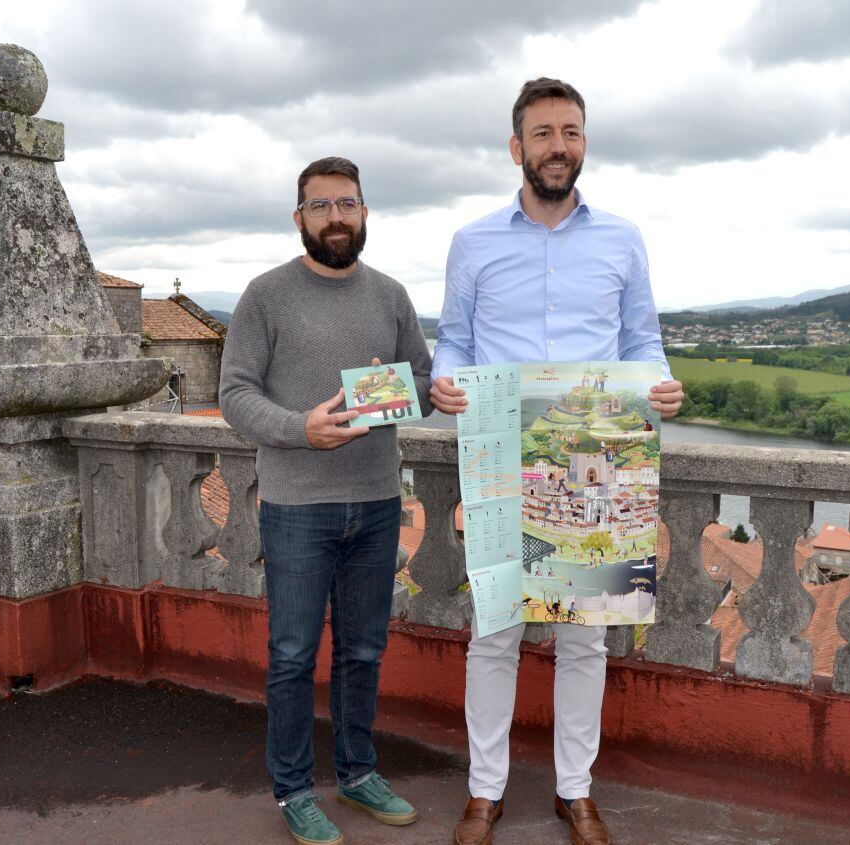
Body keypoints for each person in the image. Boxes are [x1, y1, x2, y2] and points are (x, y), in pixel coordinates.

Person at [430, 78, 684, 845]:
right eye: (542, 133)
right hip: (503, 455)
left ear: (583, 144)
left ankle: (576, 790)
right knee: (497, 630)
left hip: (595, 453)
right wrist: (444, 378)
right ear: (517, 148)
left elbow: (641, 338)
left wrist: (661, 383)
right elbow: (455, 337)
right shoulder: (473, 241)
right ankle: (485, 790)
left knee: (584, 636)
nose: (558, 146)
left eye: (570, 132)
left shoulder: (623, 238)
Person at [220, 156, 431, 845]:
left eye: (347, 203)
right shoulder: (264, 295)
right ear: (299, 217)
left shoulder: (392, 295)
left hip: (376, 503)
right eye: (321, 205)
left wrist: (395, 385)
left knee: (364, 649)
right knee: (290, 653)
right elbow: (235, 393)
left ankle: (357, 771)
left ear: (366, 212)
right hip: (297, 507)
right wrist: (301, 429)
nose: (335, 216)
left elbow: (426, 383)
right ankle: (292, 790)